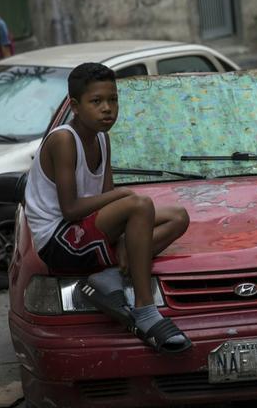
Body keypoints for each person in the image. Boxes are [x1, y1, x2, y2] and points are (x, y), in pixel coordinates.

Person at [24, 62, 192, 353]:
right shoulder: (64, 140)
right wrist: (123, 196)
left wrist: (123, 226)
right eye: (96, 101)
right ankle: (145, 310)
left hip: (86, 231)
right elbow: (71, 209)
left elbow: (105, 200)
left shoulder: (102, 139)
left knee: (179, 217)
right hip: (59, 241)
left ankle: (113, 269)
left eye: (113, 100)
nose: (107, 109)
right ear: (75, 106)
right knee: (139, 204)